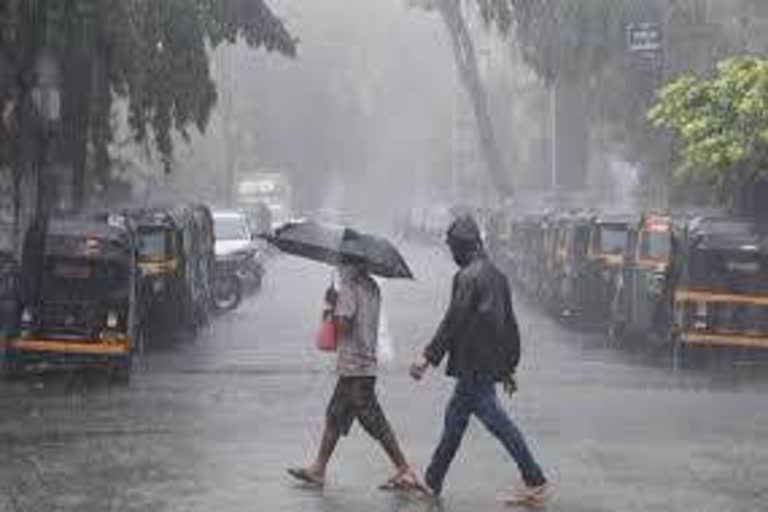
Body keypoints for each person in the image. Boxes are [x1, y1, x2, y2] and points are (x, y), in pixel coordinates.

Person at [410, 215, 550, 505]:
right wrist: (509, 366)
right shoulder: (497, 276)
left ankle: (535, 479)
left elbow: (454, 321)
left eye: (453, 248)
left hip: (474, 368)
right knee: (455, 421)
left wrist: (427, 357)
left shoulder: (468, 277)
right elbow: (509, 325)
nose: (452, 254)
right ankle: (432, 480)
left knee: (497, 423)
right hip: (481, 367)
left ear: (463, 246)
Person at [288, 259, 426, 492]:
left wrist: (333, 306)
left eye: (342, 264)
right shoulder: (372, 286)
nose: (339, 269)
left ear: (351, 265)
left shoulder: (350, 287)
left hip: (355, 367)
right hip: (362, 364)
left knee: (374, 421)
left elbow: (344, 324)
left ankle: (405, 470)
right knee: (335, 415)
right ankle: (318, 469)